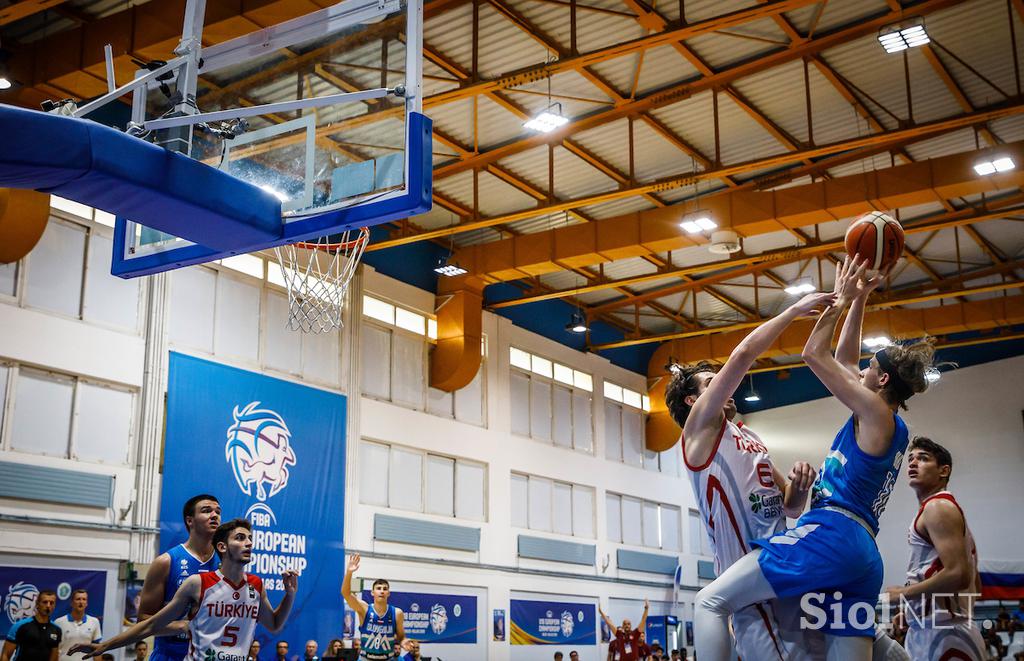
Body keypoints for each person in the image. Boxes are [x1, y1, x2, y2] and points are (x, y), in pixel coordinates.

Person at [694, 256, 936, 660]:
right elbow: (843, 362)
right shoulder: (884, 420)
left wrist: (837, 302)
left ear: (884, 380)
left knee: (711, 602)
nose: (860, 372)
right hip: (862, 554)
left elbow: (815, 354)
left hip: (830, 534)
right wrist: (858, 300)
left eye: (869, 369)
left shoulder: (876, 414)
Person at [665, 292, 834, 659]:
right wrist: (793, 310)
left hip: (781, 562)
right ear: (693, 402)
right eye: (712, 382)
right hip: (747, 581)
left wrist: (801, 484)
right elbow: (742, 356)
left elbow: (789, 505)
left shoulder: (751, 437)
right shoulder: (699, 434)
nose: (725, 384)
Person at [69, 518, 297, 661]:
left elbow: (275, 624)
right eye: (240, 538)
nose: (248, 543)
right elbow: (150, 624)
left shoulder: (256, 585)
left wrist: (290, 595)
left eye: (250, 538)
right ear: (222, 546)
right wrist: (105, 645)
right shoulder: (199, 583)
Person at [884, 437, 986, 660]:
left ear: (944, 470)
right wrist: (917, 611)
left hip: (945, 634)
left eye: (923, 458)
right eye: (910, 459)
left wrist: (903, 594)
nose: (912, 463)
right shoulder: (944, 511)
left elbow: (958, 575)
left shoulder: (937, 507)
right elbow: (974, 583)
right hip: (940, 628)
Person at [140, 494, 221, 661]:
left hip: (212, 655)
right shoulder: (166, 562)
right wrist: (184, 626)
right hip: (171, 655)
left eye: (218, 512)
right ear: (190, 521)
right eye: (206, 511)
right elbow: (143, 620)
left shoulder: (226, 562)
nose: (214, 515)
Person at [341, 554, 404, 660]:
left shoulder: (397, 613)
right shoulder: (364, 609)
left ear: (388, 593)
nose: (382, 591)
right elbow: (345, 593)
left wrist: (404, 641)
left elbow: (401, 636)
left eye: (385, 589)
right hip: (366, 658)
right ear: (372, 592)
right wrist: (349, 572)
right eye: (379, 588)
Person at [1, 589, 61, 661]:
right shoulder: (20, 626)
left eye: (51, 603)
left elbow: (54, 658)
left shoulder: (56, 629)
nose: (48, 605)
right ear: (37, 604)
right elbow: (5, 654)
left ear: (54, 606)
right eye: (45, 602)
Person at [54, 590, 102, 661]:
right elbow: (54, 649)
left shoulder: (94, 622)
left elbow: (97, 649)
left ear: (86, 603)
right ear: (71, 603)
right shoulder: (59, 622)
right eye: (78, 599)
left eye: (84, 599)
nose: (81, 602)